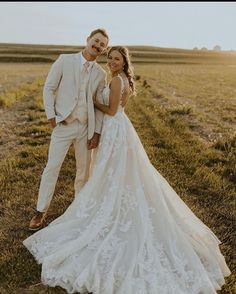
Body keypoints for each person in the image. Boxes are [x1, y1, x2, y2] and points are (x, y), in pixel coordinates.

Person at [24, 46, 231, 293]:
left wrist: (92, 101)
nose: (111, 61)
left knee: (108, 171)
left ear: (124, 62)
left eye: (116, 59)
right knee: (114, 172)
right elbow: (118, 110)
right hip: (118, 128)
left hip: (114, 128)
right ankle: (102, 203)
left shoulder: (115, 82)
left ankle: (107, 208)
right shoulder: (119, 80)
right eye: (109, 57)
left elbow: (111, 110)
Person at [29, 28, 109, 231]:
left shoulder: (101, 74)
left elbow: (99, 105)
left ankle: (79, 211)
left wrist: (97, 132)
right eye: (96, 41)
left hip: (85, 128)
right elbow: (49, 88)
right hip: (63, 124)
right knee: (52, 167)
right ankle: (40, 210)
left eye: (102, 45)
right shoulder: (65, 60)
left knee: (84, 171)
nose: (98, 46)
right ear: (88, 39)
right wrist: (51, 116)